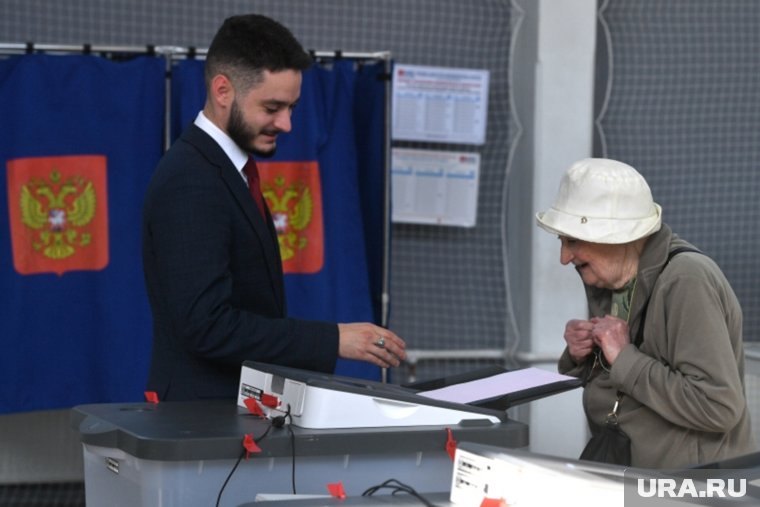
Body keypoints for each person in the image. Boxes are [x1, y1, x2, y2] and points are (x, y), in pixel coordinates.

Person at [142, 14, 405, 401]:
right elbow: (206, 327)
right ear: (222, 91)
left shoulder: (230, 171)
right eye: (272, 107)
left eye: (292, 108)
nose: (287, 124)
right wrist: (333, 339)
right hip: (199, 423)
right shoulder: (192, 179)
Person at [536, 157, 754, 468]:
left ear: (614, 236)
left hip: (691, 491)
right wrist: (581, 355)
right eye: (562, 241)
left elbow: (717, 406)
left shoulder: (686, 281)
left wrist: (623, 357)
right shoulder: (614, 277)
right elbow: (624, 378)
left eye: (573, 241)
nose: (564, 257)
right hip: (632, 476)